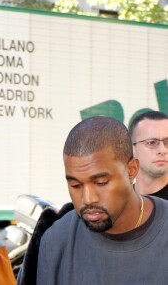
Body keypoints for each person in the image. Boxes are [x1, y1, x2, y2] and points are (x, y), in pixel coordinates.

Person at [18, 116, 168, 285]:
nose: (88, 199)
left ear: (131, 170)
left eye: (101, 183)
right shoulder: (56, 240)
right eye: (75, 185)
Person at [129, 110, 168, 199]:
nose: (162, 150)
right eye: (151, 143)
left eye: (167, 142)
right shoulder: (120, 201)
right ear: (132, 149)